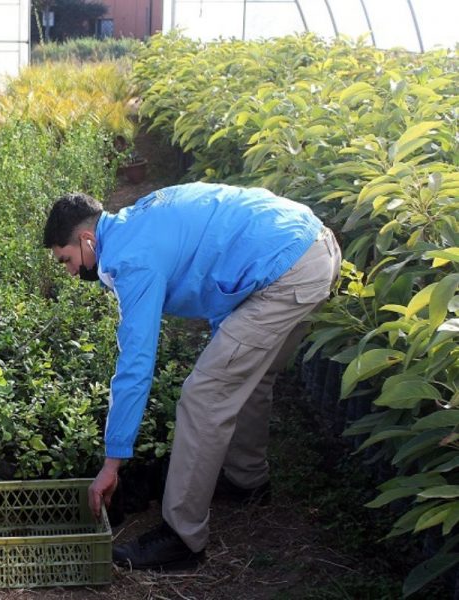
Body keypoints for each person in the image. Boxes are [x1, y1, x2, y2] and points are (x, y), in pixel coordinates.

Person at [43, 182, 341, 570]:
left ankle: (182, 538)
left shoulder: (131, 258)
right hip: (310, 245)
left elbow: (135, 365)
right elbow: (216, 265)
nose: (70, 272)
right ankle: (246, 479)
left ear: (87, 240)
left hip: (288, 270)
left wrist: (112, 462)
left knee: (204, 396)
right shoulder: (138, 220)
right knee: (253, 375)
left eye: (66, 259)